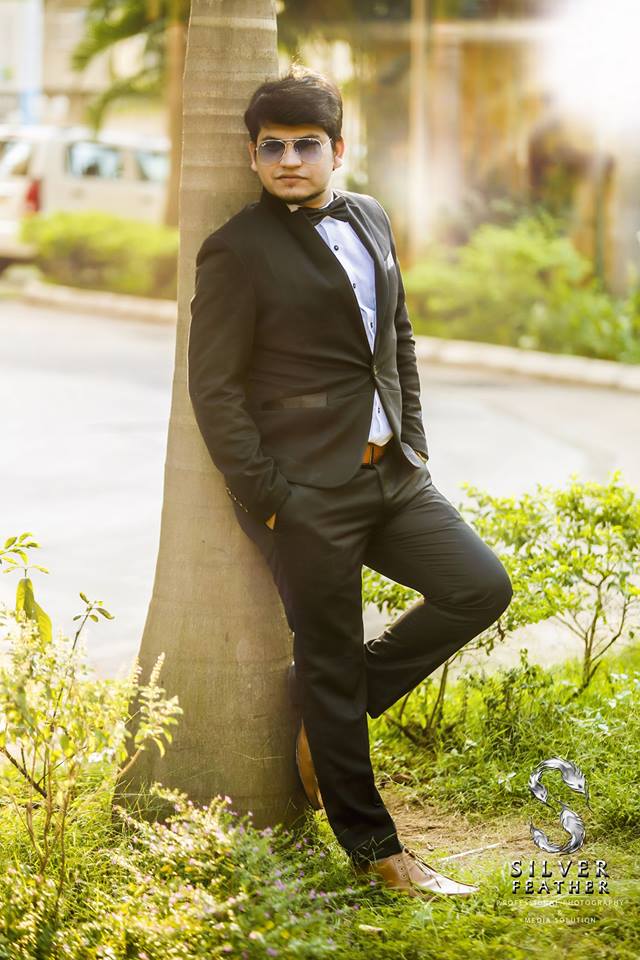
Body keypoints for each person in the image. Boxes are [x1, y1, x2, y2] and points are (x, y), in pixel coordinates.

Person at [187, 66, 513, 898]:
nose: (289, 161)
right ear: (253, 155)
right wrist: (272, 498)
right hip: (306, 495)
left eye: (306, 145)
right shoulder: (236, 249)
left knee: (479, 587)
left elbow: (396, 335)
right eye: (272, 148)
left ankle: (334, 705)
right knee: (326, 658)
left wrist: (415, 442)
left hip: (393, 474)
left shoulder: (370, 215)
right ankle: (379, 855)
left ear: (339, 148)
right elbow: (214, 390)